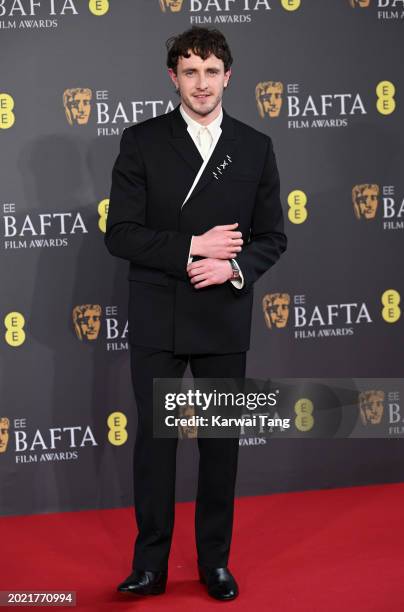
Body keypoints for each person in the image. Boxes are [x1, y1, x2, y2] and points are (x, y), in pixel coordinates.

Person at [105, 26, 287, 601]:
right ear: (173, 78)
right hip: (159, 313)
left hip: (222, 314)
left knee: (220, 446)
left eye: (211, 72)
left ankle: (214, 562)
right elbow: (121, 234)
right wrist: (193, 248)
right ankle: (150, 566)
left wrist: (232, 269)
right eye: (190, 72)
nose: (201, 83)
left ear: (227, 76)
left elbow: (272, 237)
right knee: (156, 445)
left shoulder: (255, 145)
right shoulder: (141, 141)